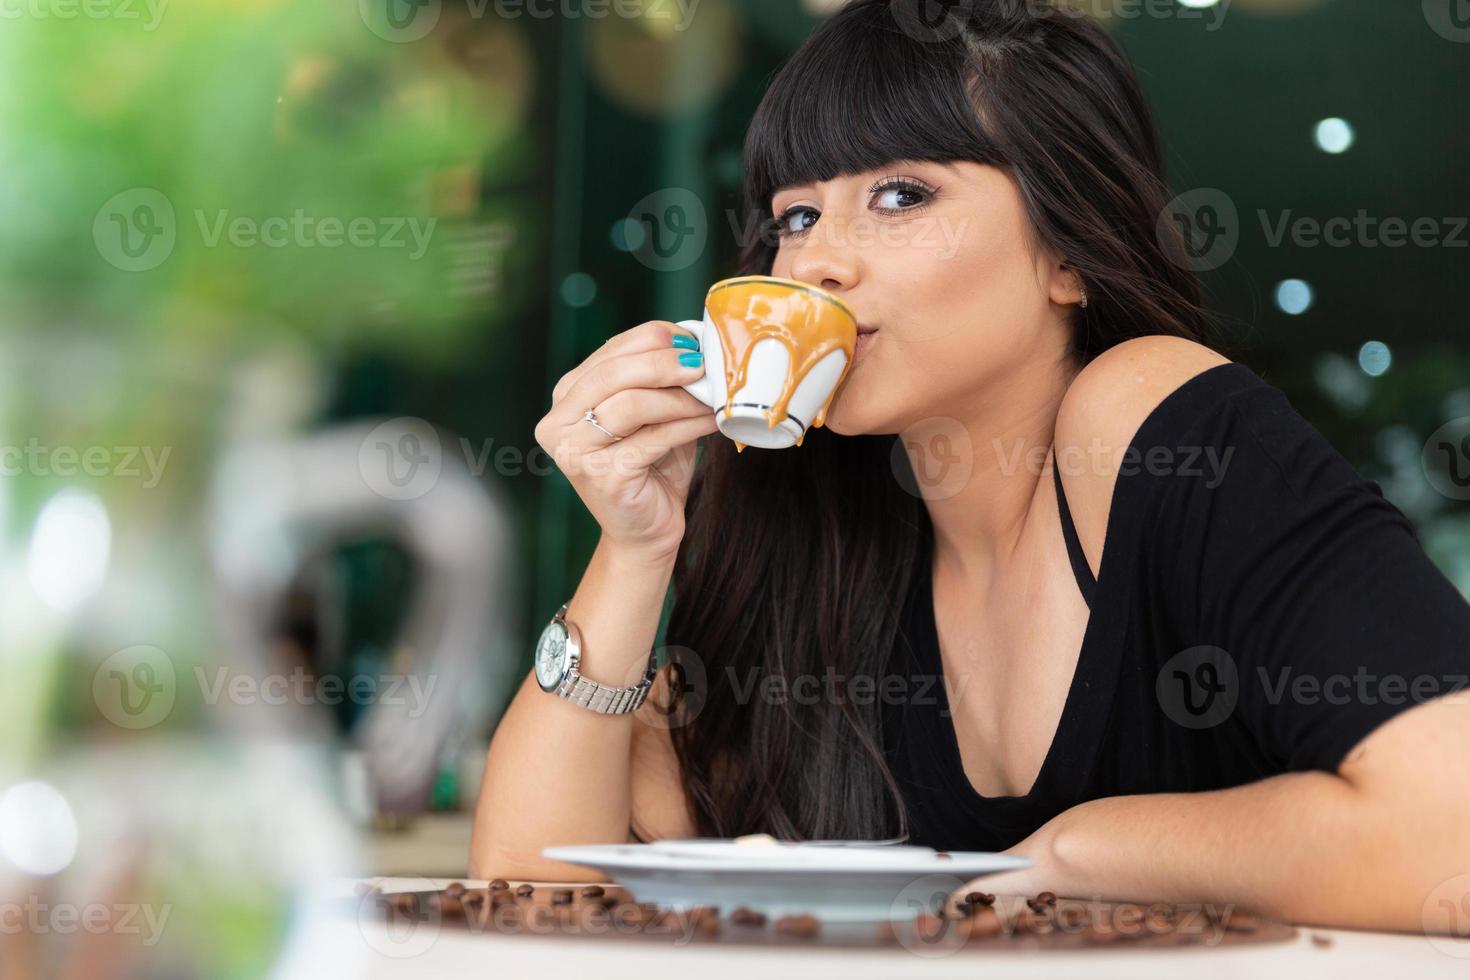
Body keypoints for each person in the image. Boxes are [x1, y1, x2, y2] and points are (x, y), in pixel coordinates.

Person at [472, 0, 1470, 932]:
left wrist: (1075, 853)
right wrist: (634, 545)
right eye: (796, 216)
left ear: (1068, 253)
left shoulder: (1141, 415)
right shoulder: (811, 531)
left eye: (900, 194)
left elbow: (1451, 834)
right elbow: (531, 897)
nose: (814, 261)